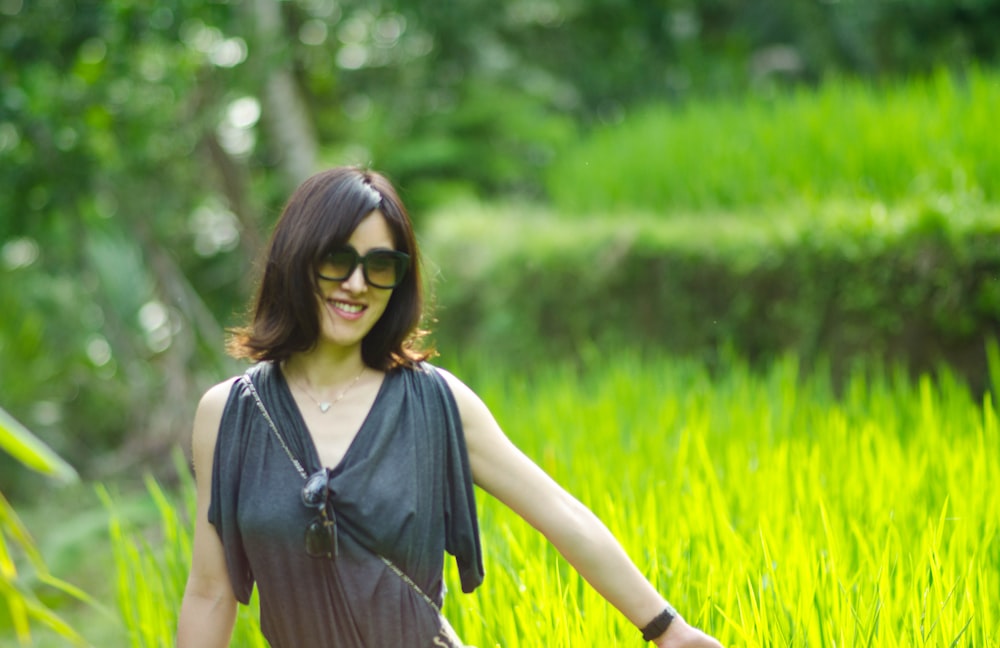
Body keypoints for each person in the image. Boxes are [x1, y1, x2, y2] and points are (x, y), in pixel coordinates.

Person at [176, 166, 724, 648]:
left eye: (381, 266)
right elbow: (209, 592)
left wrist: (667, 629)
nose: (357, 284)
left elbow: (561, 514)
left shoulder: (435, 402)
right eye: (337, 261)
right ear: (297, 260)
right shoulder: (229, 414)